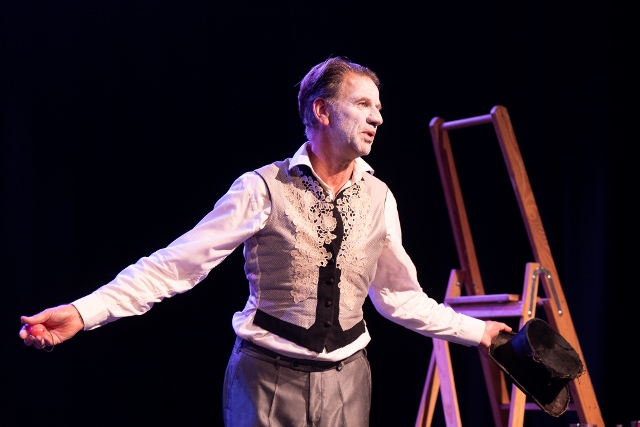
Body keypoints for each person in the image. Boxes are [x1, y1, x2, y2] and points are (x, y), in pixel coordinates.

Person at [19, 56, 512, 427]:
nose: (377, 118)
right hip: (267, 382)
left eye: (378, 108)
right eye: (363, 104)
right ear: (322, 110)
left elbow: (398, 297)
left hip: (349, 383)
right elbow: (175, 265)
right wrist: (83, 312)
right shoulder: (261, 188)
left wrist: (480, 333)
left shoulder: (380, 198)